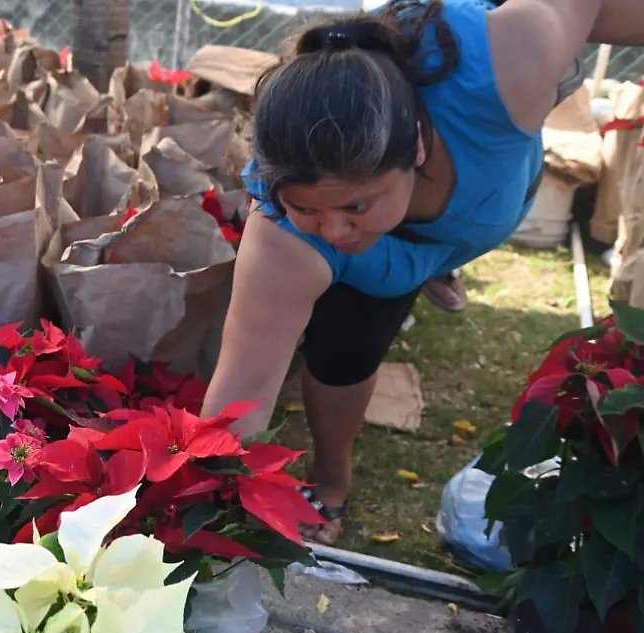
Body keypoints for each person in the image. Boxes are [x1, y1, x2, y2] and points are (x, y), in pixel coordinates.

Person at [202, 0, 644, 545]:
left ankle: (439, 267)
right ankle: (333, 477)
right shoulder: (285, 232)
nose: (335, 229)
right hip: (384, 255)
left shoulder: (508, 61)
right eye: (309, 207)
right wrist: (208, 515)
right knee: (345, 347)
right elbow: (242, 389)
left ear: (414, 145)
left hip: (470, 214)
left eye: (355, 207)